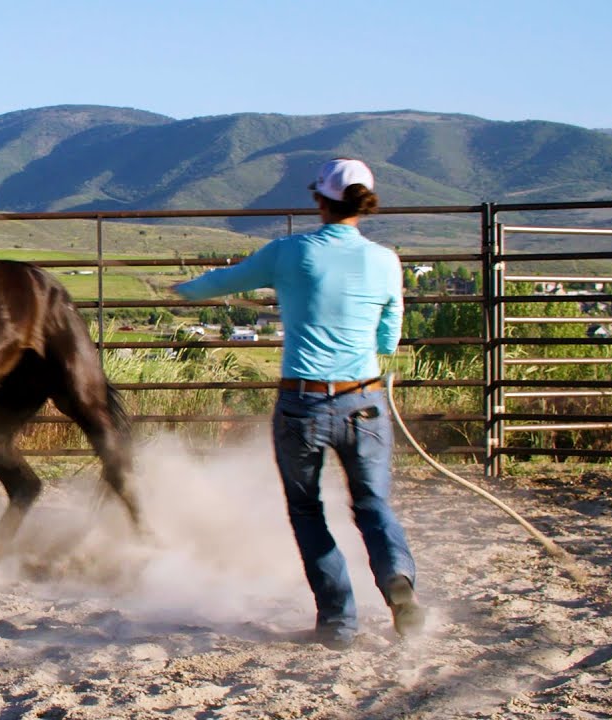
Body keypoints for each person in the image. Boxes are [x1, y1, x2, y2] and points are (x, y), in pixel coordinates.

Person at [173, 158, 426, 650]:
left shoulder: (288, 253)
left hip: (303, 404)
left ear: (320, 200)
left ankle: (337, 622)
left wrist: (184, 289)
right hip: (365, 401)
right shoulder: (387, 261)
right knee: (373, 505)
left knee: (308, 510)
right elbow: (388, 339)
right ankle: (397, 578)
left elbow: (223, 282)